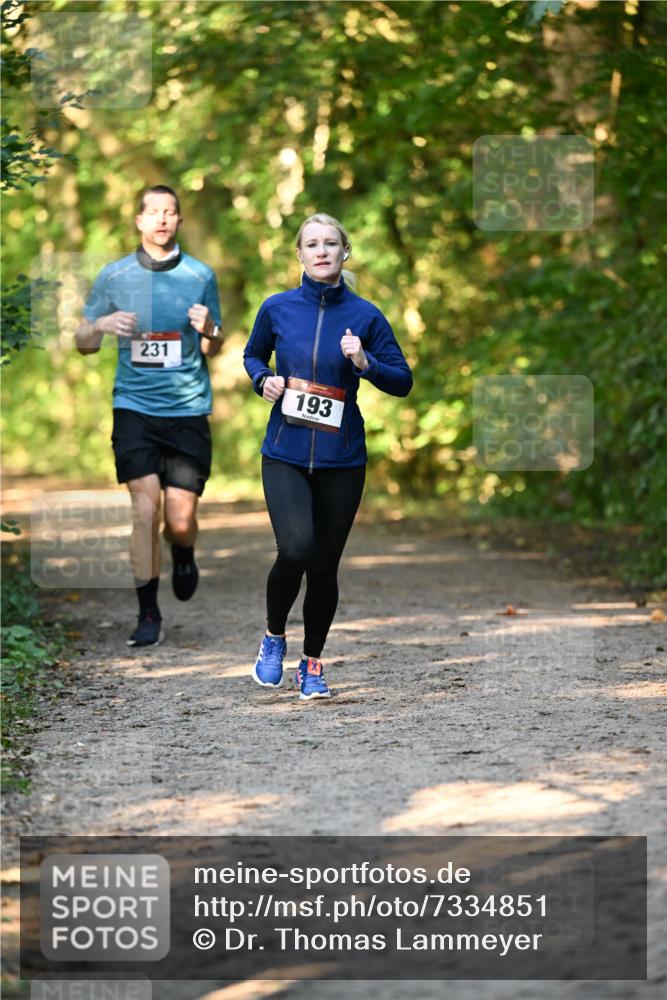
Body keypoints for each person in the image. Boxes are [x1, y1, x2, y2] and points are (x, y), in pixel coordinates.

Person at [243, 212, 412, 700]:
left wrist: (365, 362)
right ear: (299, 255)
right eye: (312, 244)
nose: (321, 251)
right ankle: (273, 638)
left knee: (324, 566)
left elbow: (402, 381)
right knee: (295, 548)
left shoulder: (365, 316)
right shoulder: (277, 308)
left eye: (330, 244)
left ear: (345, 253)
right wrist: (264, 380)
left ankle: (312, 664)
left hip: (342, 460)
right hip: (285, 453)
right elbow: (253, 356)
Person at [75, 184, 223, 646]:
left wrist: (210, 330)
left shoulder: (200, 274)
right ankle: (148, 615)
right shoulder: (114, 276)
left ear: (179, 221)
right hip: (134, 408)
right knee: (144, 511)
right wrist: (100, 324)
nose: (162, 219)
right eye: (154, 212)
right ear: (139, 220)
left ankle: (183, 551)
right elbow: (83, 342)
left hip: (187, 410)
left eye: (171, 212)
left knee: (178, 521)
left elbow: (212, 347)